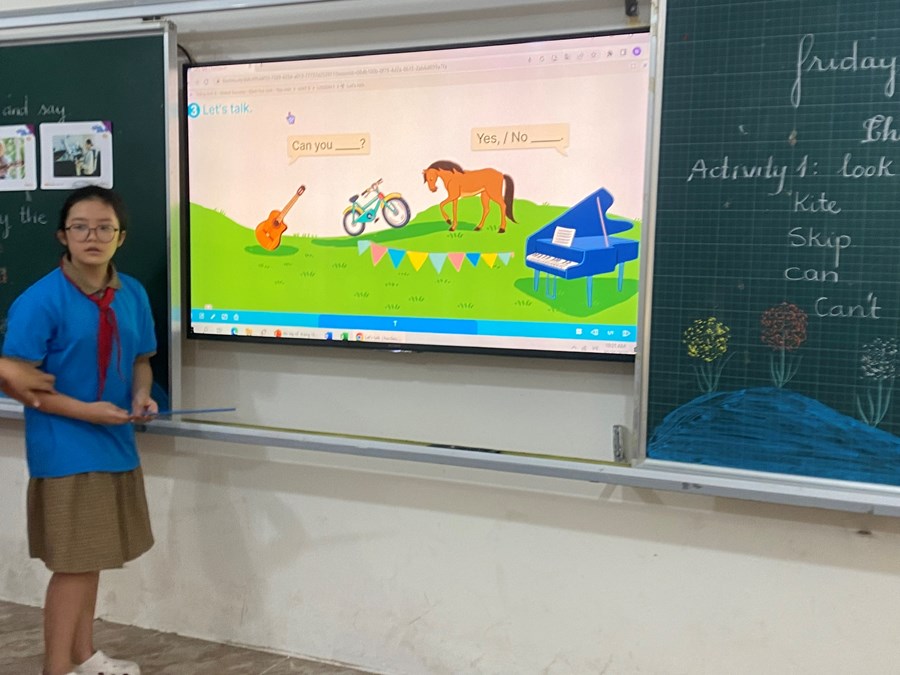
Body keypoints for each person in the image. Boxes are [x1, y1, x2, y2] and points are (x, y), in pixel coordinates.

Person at [3, 186, 158, 675]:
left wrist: (141, 396)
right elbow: (18, 380)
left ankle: (84, 656)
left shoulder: (132, 293)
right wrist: (87, 412)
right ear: (63, 236)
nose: (93, 236)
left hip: (115, 442)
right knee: (72, 566)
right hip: (65, 448)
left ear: (120, 237)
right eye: (80, 227)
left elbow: (141, 360)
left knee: (91, 559)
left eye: (104, 228)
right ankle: (56, 668)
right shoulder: (40, 301)